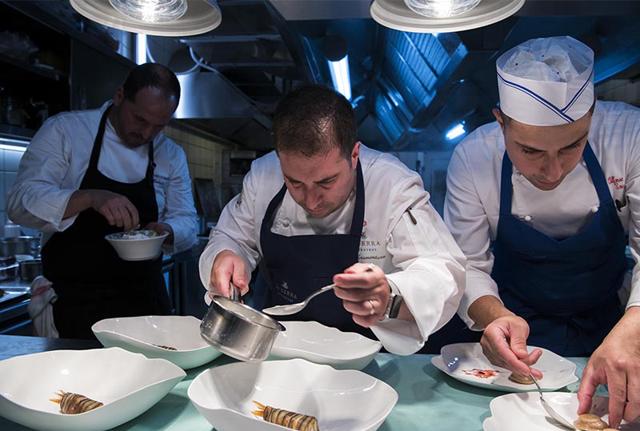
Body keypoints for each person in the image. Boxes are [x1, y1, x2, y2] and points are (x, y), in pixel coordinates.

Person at [445, 36, 640, 427]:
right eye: (530, 151)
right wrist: (493, 315)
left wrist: (633, 329)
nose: (552, 171)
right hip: (515, 334)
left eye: (572, 146)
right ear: (500, 122)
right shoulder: (473, 157)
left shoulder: (629, 136)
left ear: (592, 119)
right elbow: (467, 266)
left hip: (611, 327)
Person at [199, 85, 466, 355]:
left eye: (326, 181)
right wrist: (225, 255)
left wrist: (391, 297)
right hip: (283, 351)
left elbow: (442, 272)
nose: (311, 200)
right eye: (295, 183)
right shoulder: (263, 176)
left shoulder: (391, 185)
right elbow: (231, 237)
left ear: (354, 154)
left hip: (369, 359)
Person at [7, 63, 198, 339]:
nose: (146, 134)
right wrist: (87, 198)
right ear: (120, 96)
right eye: (140, 119)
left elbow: (187, 222)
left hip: (145, 305)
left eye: (159, 126)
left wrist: (167, 231)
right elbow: (20, 202)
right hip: (76, 306)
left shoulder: (171, 154)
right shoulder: (66, 132)